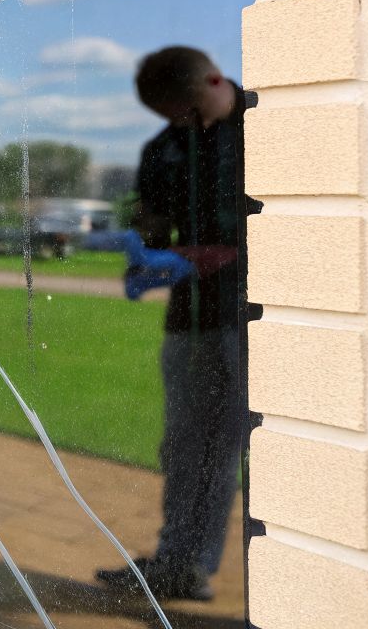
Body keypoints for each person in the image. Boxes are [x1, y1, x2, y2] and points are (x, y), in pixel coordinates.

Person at [97, 45, 256, 602]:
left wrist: (210, 255)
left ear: (215, 79)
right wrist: (144, 250)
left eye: (189, 111)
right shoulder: (163, 148)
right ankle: (173, 562)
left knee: (223, 445)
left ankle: (193, 568)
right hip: (189, 317)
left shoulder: (267, 125)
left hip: (249, 317)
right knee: (183, 445)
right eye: (171, 117)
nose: (182, 126)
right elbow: (156, 225)